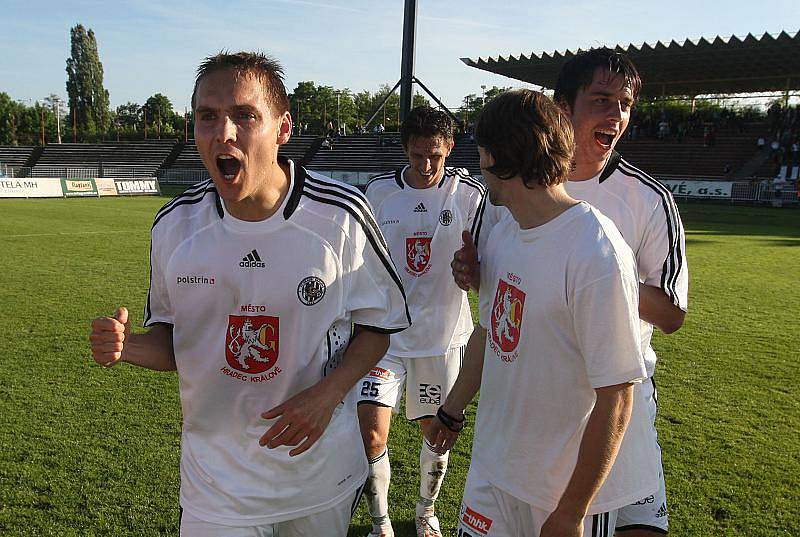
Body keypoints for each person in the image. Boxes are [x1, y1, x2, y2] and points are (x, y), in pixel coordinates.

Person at [89, 51, 410, 537]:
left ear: (283, 129)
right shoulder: (175, 227)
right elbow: (177, 342)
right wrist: (127, 345)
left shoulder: (341, 216)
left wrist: (327, 395)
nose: (224, 133)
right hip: (216, 488)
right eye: (208, 117)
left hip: (317, 477)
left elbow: (377, 329)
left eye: (244, 115)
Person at [452, 49, 689, 537]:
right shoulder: (501, 207)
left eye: (624, 104)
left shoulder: (639, 206)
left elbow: (669, 314)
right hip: (512, 426)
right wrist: (475, 273)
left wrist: (596, 283)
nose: (616, 115)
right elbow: (498, 307)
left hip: (599, 419)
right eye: (601, 100)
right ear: (563, 107)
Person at [357, 106, 487, 537]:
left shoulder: (469, 195)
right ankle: (380, 523)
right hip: (385, 339)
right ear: (404, 149)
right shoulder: (378, 194)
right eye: (417, 154)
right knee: (372, 433)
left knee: (436, 434)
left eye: (435, 154)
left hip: (442, 338)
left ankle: (426, 512)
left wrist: (475, 269)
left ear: (450, 147)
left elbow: (496, 258)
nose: (426, 164)